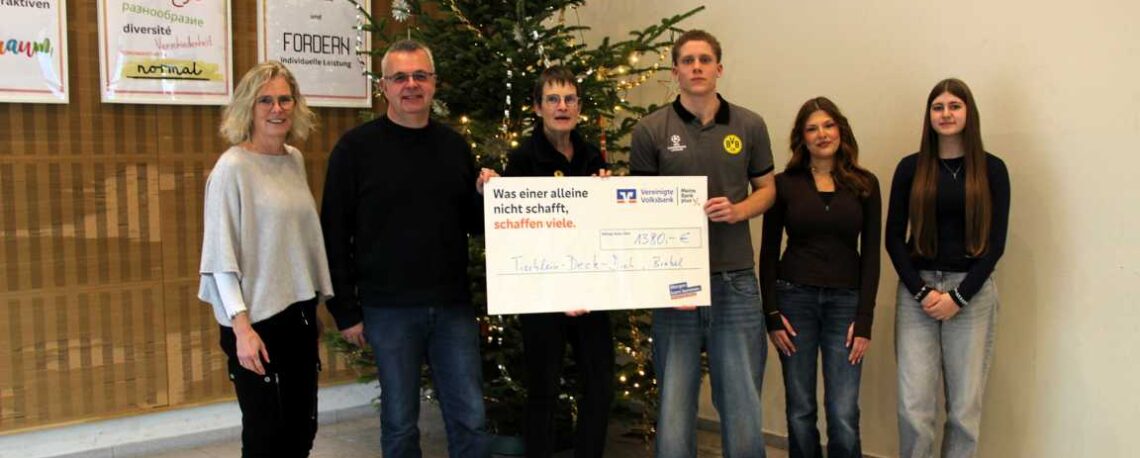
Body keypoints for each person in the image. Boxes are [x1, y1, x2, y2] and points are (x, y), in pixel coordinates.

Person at [320, 39, 494, 458]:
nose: (411, 85)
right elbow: (333, 233)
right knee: (399, 424)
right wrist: (346, 311)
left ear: (434, 83)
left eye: (420, 76)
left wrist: (483, 195)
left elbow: (471, 225)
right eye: (400, 77)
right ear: (384, 87)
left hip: (452, 307)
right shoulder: (355, 149)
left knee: (470, 418)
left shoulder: (454, 147)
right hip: (388, 309)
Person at [630, 29, 776, 458]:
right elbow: (639, 208)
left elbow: (768, 190)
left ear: (719, 68)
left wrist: (739, 210)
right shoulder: (650, 129)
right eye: (688, 61)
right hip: (675, 287)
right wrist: (663, 278)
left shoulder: (749, 124)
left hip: (734, 281)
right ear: (675, 71)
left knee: (742, 404)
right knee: (674, 407)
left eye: (705, 60)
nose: (697, 67)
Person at [198, 60, 333, 457]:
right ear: (248, 107)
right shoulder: (231, 168)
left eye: (285, 99)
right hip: (254, 323)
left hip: (298, 315)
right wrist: (242, 330)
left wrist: (311, 309)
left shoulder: (294, 159)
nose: (277, 109)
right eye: (265, 101)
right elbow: (221, 257)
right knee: (265, 435)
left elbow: (294, 244)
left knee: (301, 430)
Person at [886, 78, 1010, 458]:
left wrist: (958, 297)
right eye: (938, 107)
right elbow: (893, 239)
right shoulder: (910, 168)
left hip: (971, 294)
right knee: (914, 408)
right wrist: (922, 292)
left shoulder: (992, 169)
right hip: (917, 293)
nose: (946, 113)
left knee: (963, 411)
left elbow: (996, 245)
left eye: (954, 106)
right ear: (929, 115)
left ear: (969, 112)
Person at [502, 65, 614, 458]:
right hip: (542, 292)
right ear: (538, 108)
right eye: (552, 99)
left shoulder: (592, 156)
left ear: (579, 107)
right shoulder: (521, 160)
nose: (561, 106)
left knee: (600, 385)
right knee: (543, 389)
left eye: (569, 99)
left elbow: (604, 225)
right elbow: (514, 232)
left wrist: (609, 196)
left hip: (590, 290)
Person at [759, 97, 880, 458]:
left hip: (846, 305)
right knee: (800, 409)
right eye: (812, 129)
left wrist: (864, 319)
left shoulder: (865, 184)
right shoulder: (783, 185)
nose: (822, 134)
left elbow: (871, 256)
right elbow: (768, 253)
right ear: (802, 138)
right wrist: (771, 314)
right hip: (794, 302)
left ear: (841, 130)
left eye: (828, 125)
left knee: (843, 411)